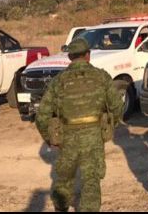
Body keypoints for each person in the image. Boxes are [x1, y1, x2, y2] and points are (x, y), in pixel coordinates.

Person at [35, 37, 124, 212]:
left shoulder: (58, 81)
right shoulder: (102, 77)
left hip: (67, 137)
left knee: (64, 178)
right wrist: (108, 128)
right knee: (91, 180)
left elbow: (42, 115)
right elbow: (117, 107)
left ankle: (61, 207)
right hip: (93, 136)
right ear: (88, 55)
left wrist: (50, 138)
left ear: (70, 57)